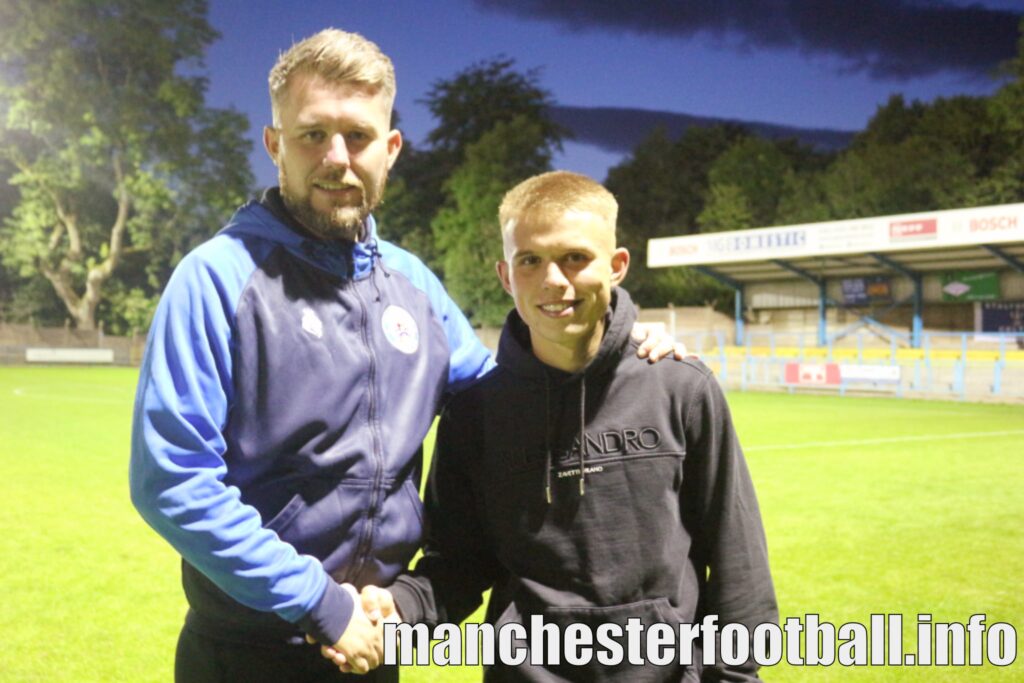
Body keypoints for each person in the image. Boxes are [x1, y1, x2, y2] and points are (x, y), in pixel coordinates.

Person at [129, 30, 685, 683]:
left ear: (390, 149)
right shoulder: (216, 279)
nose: (337, 158)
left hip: (375, 641)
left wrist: (618, 342)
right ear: (274, 144)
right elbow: (172, 480)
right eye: (312, 135)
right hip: (250, 652)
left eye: (358, 137)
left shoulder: (411, 284)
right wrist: (319, 601)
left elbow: (506, 395)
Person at [350, 171, 777, 681]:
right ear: (506, 276)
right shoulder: (474, 414)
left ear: (617, 266)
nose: (554, 280)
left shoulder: (680, 388)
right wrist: (400, 607)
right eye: (530, 260)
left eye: (575, 257)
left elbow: (738, 563)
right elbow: (459, 564)